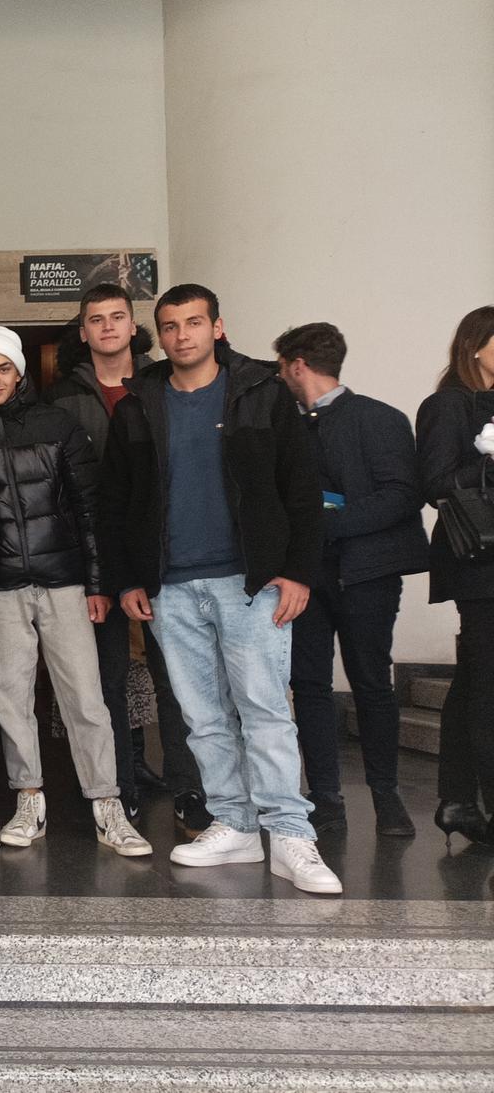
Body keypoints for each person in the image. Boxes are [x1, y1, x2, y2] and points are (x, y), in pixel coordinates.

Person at [100, 284, 343, 894]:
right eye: (171, 326)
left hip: (250, 582)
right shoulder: (139, 404)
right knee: (202, 718)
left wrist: (298, 572)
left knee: (265, 711)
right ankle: (234, 823)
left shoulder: (262, 392)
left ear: (217, 327)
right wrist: (127, 579)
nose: (182, 335)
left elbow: (301, 487)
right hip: (171, 588)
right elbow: (116, 503)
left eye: (193, 323)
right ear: (159, 335)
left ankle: (291, 834)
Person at [0, 327, 153, 859]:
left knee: (85, 697)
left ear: (19, 373)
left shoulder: (57, 424)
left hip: (64, 581)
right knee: (9, 695)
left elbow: (89, 508)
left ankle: (107, 803)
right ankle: (29, 800)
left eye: (3, 368)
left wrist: (97, 583)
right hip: (2, 585)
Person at [45, 284, 209, 835]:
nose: (108, 327)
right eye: (97, 319)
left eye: (118, 316)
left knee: (176, 680)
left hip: (160, 553)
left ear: (133, 325)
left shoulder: (163, 383)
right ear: (84, 331)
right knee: (106, 680)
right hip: (93, 558)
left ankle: (189, 789)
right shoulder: (62, 397)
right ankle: (119, 789)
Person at [274, 322, 427, 838]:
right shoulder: (284, 427)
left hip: (368, 573)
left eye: (282, 368)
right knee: (309, 686)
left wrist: (327, 524)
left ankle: (387, 797)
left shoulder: (380, 418)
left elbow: (401, 496)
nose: (280, 377)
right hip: (304, 577)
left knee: (371, 684)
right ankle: (325, 800)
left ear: (297, 365)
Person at [415, 306, 494, 847]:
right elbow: (435, 483)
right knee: (487, 684)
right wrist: (488, 460)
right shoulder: (448, 404)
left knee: (475, 680)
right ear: (475, 345)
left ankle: (459, 798)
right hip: (480, 560)